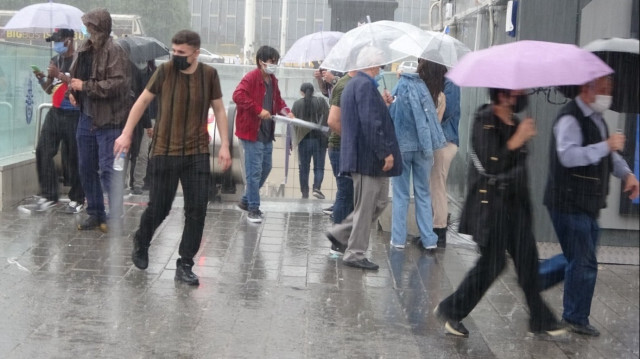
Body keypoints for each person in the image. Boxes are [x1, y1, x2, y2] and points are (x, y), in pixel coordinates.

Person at [434, 88, 565, 338]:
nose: (517, 95)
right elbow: (491, 163)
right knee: (493, 264)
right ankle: (451, 309)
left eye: (518, 92)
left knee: (527, 262)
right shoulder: (484, 120)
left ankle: (540, 318)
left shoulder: (515, 121)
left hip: (516, 208)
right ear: (500, 93)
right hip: (491, 207)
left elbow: (517, 167)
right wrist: (517, 139)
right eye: (512, 92)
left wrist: (521, 137)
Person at [113, 30, 231, 286]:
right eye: (174, 52)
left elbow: (220, 109)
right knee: (160, 208)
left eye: (182, 53)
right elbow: (142, 101)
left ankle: (185, 263)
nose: (176, 57)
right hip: (164, 151)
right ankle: (141, 241)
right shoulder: (164, 72)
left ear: (196, 53)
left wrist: (225, 146)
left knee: (197, 209)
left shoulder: (209, 75)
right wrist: (126, 134)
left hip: (197, 153)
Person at [539, 75, 639, 336]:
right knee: (583, 260)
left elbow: (610, 156)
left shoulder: (597, 119)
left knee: (580, 256)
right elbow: (569, 156)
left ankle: (535, 278)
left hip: (586, 202)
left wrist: (627, 174)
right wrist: (605, 145)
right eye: (604, 89)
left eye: (610, 89)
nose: (609, 95)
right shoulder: (570, 118)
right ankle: (575, 317)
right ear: (587, 88)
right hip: (567, 200)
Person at [325, 46, 402, 271]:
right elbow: (370, 123)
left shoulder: (361, 85)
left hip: (364, 157)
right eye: (378, 63)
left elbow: (368, 117)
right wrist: (384, 152)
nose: (380, 67)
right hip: (367, 158)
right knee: (367, 206)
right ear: (369, 64)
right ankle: (355, 253)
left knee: (377, 203)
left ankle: (340, 233)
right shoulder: (363, 86)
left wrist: (384, 104)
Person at [68, 8, 131, 232]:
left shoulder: (115, 51)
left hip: (109, 121)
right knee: (86, 167)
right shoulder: (84, 50)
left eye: (92, 28)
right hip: (85, 118)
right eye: (87, 28)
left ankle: (115, 215)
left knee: (108, 169)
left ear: (102, 28)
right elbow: (74, 78)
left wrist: (86, 87)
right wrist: (72, 92)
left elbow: (117, 84)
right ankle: (95, 212)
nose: (88, 32)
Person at [389, 60, 447, 251]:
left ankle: (398, 239)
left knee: (401, 195)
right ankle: (429, 239)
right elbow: (429, 119)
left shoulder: (399, 88)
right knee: (423, 193)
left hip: (402, 147)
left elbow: (391, 115)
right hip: (423, 149)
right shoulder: (423, 88)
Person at [232, 45, 294, 223]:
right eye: (271, 61)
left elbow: (279, 101)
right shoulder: (251, 77)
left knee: (266, 167)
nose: (274, 65)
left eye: (275, 62)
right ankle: (253, 208)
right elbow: (238, 95)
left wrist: (286, 111)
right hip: (252, 133)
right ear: (261, 62)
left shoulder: (273, 80)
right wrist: (258, 110)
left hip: (267, 133)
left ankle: (245, 201)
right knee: (254, 172)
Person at [30, 28, 85, 213]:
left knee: (74, 157)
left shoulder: (80, 60)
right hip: (56, 112)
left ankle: (78, 198)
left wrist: (60, 74)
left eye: (58, 41)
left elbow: (80, 84)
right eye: (54, 41)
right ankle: (49, 194)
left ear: (69, 40)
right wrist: (42, 80)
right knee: (42, 150)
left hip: (74, 114)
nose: (56, 45)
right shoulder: (55, 60)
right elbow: (49, 89)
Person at [430, 66, 461, 248]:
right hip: (442, 140)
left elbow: (448, 111)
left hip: (445, 141)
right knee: (434, 186)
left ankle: (439, 231)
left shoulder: (451, 82)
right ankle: (435, 229)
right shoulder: (445, 81)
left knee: (437, 187)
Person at [325, 70, 357, 222]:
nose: (377, 70)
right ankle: (338, 240)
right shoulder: (345, 85)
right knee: (345, 193)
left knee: (348, 193)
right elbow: (332, 121)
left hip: (345, 147)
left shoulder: (353, 84)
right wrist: (352, 140)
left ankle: (341, 236)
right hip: (341, 148)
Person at [291, 83, 329, 199]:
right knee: (319, 167)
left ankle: (304, 193)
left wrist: (293, 141)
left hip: (303, 141)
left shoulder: (297, 104)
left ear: (302, 92)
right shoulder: (321, 102)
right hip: (320, 140)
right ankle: (316, 188)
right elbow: (328, 118)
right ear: (313, 91)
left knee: (303, 168)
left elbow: (292, 124)